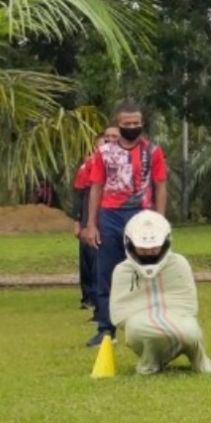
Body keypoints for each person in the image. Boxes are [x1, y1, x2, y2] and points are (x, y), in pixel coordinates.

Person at [81, 101, 168, 348]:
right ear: (118, 125)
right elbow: (96, 186)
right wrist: (91, 224)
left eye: (136, 123)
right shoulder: (104, 153)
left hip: (141, 215)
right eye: (127, 124)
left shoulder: (153, 151)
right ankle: (106, 329)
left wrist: (159, 220)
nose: (133, 127)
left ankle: (147, 324)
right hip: (110, 216)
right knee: (106, 272)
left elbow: (161, 185)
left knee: (145, 270)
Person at [109, 210, 211, 375]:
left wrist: (173, 319)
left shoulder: (179, 264)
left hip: (178, 316)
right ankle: (149, 364)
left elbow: (188, 305)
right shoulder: (122, 271)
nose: (149, 252)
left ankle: (199, 360)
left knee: (191, 331)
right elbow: (120, 314)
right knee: (138, 328)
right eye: (143, 249)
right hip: (139, 323)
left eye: (154, 248)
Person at [73, 128, 118, 315]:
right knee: (91, 260)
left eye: (113, 137)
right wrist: (82, 223)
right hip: (95, 218)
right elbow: (83, 194)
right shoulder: (90, 165)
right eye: (105, 139)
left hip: (116, 217)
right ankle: (93, 300)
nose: (108, 142)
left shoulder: (131, 160)